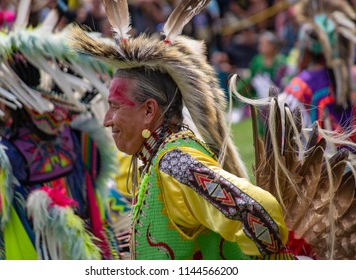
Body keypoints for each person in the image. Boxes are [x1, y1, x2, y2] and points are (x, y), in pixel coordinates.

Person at [70, 0, 294, 260]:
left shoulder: (176, 164)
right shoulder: (159, 159)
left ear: (149, 111)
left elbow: (261, 214)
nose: (107, 119)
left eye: (115, 107)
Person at [0, 26, 124, 259]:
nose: (60, 116)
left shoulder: (81, 138)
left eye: (65, 109)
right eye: (51, 108)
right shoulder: (4, 157)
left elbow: (93, 198)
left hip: (86, 247)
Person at [279, 0, 356, 145]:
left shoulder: (299, 87)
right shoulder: (352, 75)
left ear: (305, 49)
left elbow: (287, 149)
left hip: (320, 166)